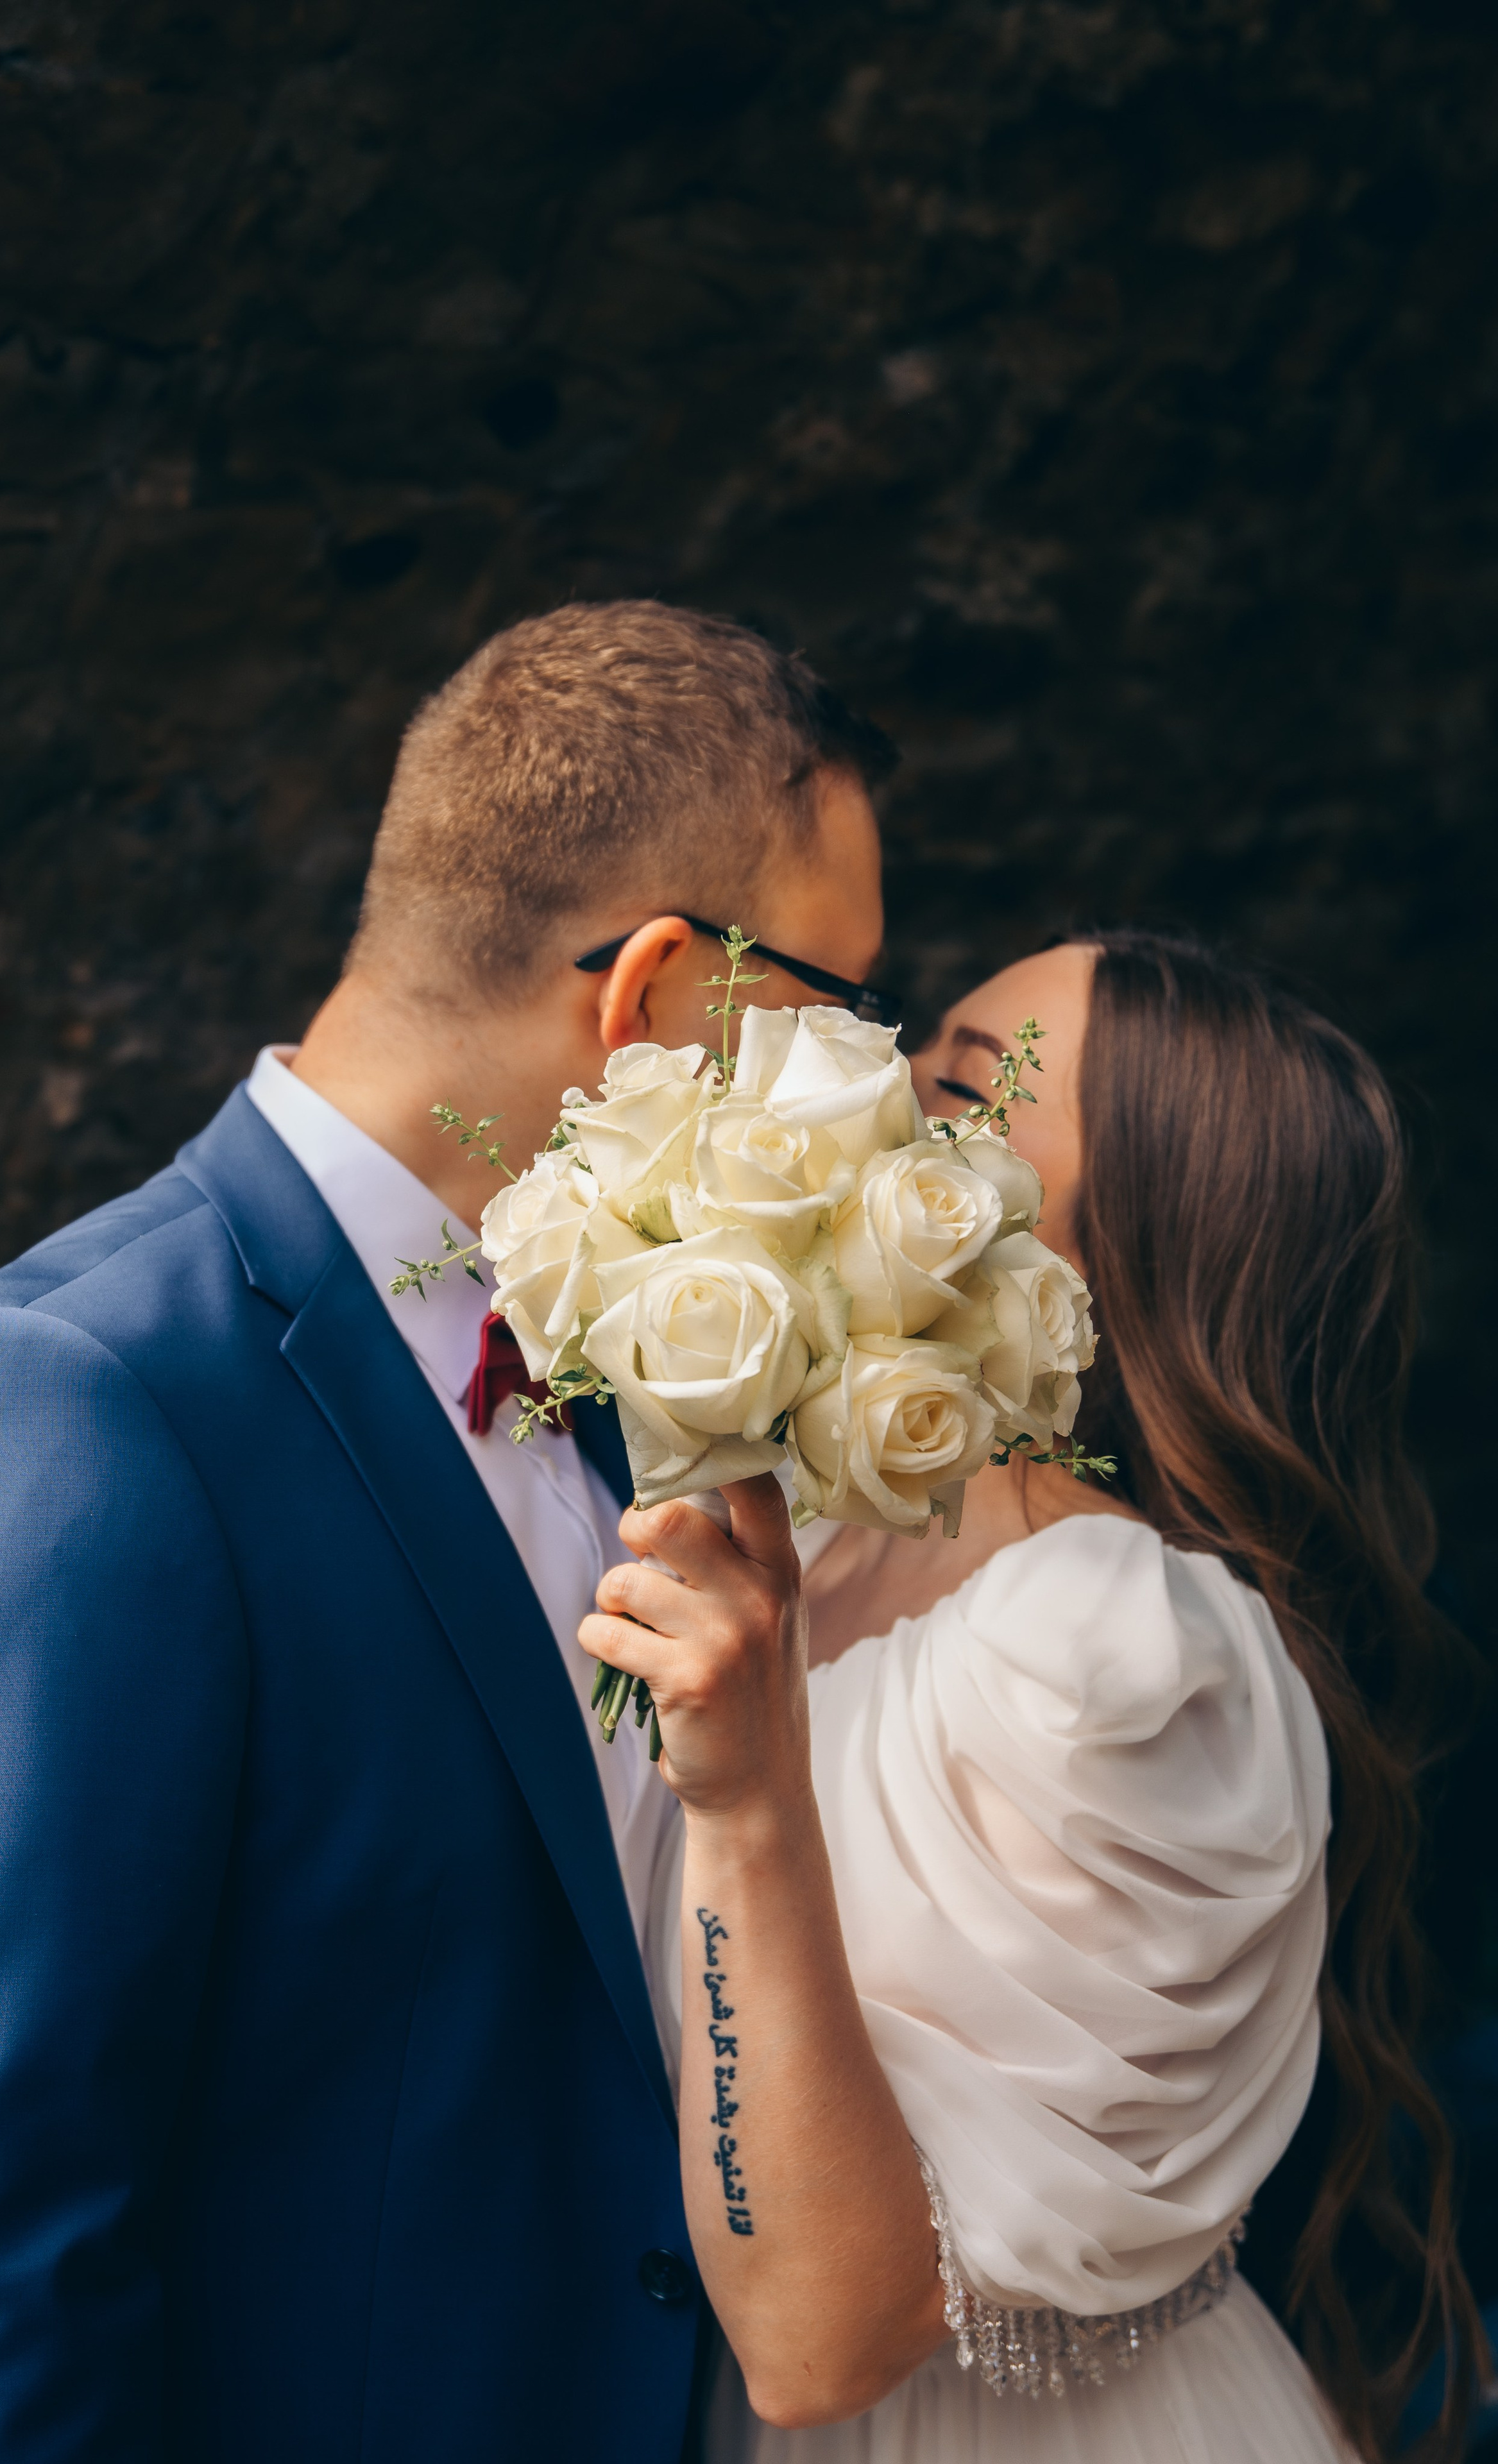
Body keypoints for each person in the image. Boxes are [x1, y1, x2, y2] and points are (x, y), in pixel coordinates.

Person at [0, 601, 899, 2461]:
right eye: (845, 1008)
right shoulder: (73, 1408)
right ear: (654, 995)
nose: (871, 1088)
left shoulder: (620, 1374)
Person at [583, 931, 1485, 2463]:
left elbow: (822, 2338)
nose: (858, 1101)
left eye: (948, 1093)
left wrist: (748, 1802)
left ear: (1102, 1250)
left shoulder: (1117, 1658)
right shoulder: (791, 1521)